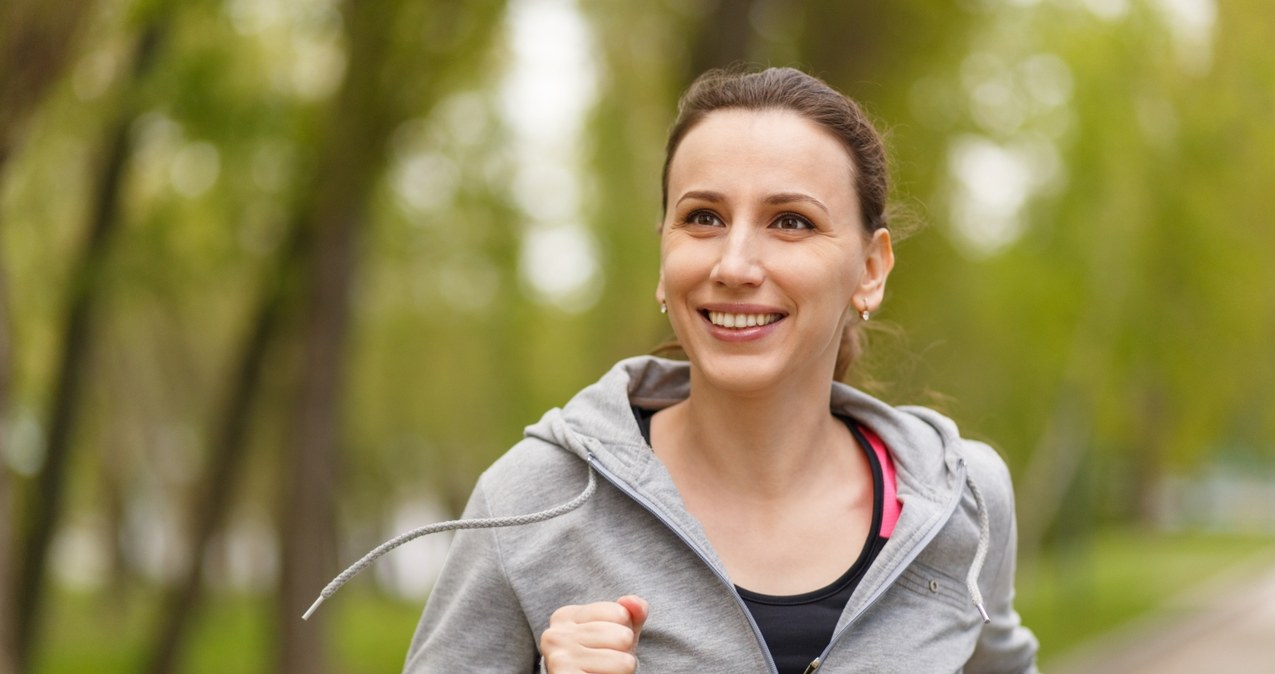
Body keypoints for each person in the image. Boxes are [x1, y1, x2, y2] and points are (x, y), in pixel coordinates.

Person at [313, 65, 1039, 673]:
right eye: (703, 218)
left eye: (791, 221)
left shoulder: (966, 499)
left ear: (870, 269)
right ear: (664, 255)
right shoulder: (530, 503)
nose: (734, 265)